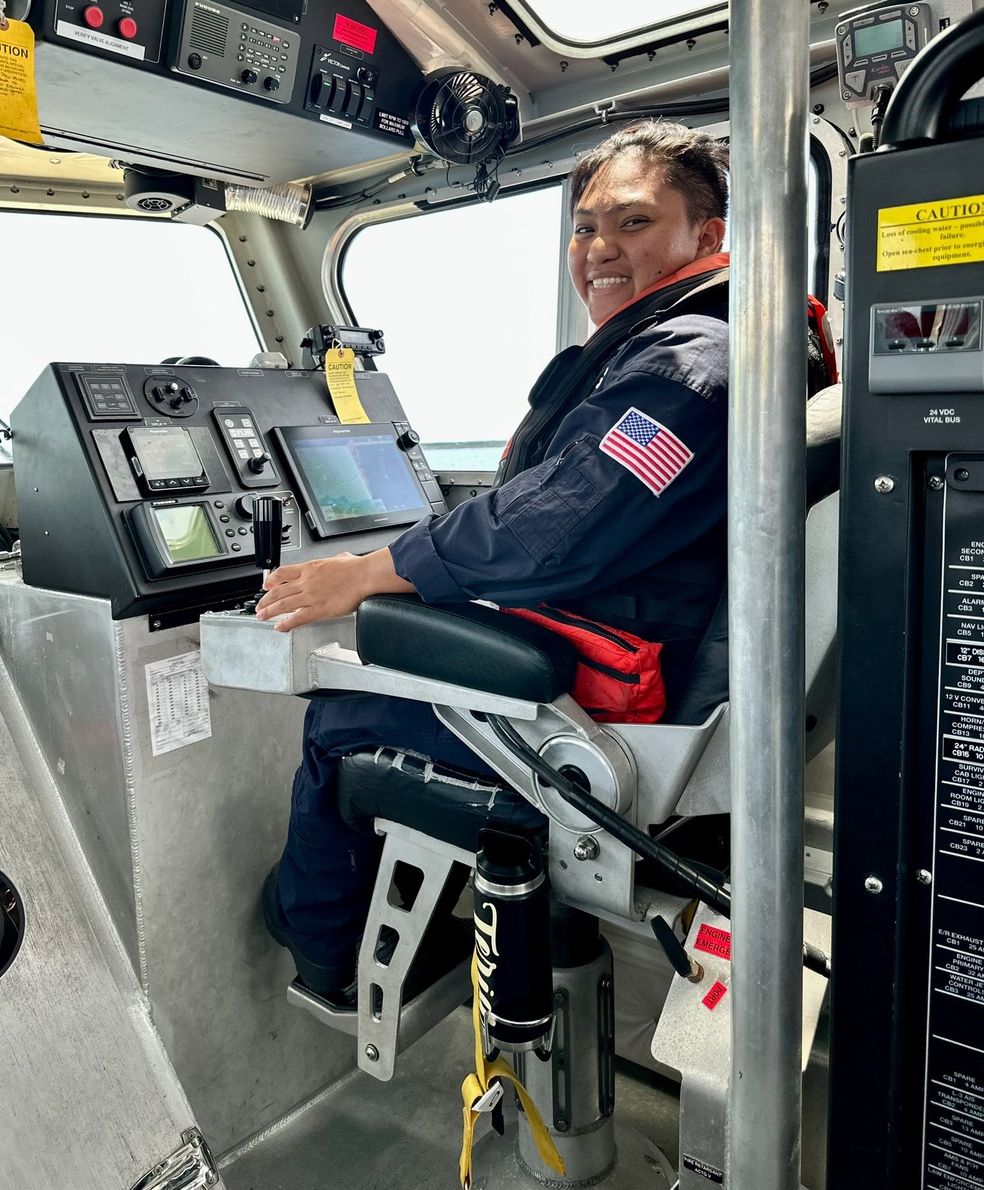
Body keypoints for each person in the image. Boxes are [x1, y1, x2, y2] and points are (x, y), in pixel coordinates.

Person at [257, 120, 737, 1000]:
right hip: (641, 662)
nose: (599, 248)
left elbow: (555, 526)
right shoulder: (684, 346)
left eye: (632, 224)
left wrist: (368, 572)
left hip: (619, 716)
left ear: (707, 238)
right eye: (587, 226)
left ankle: (322, 953)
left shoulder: (689, 367)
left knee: (339, 706)